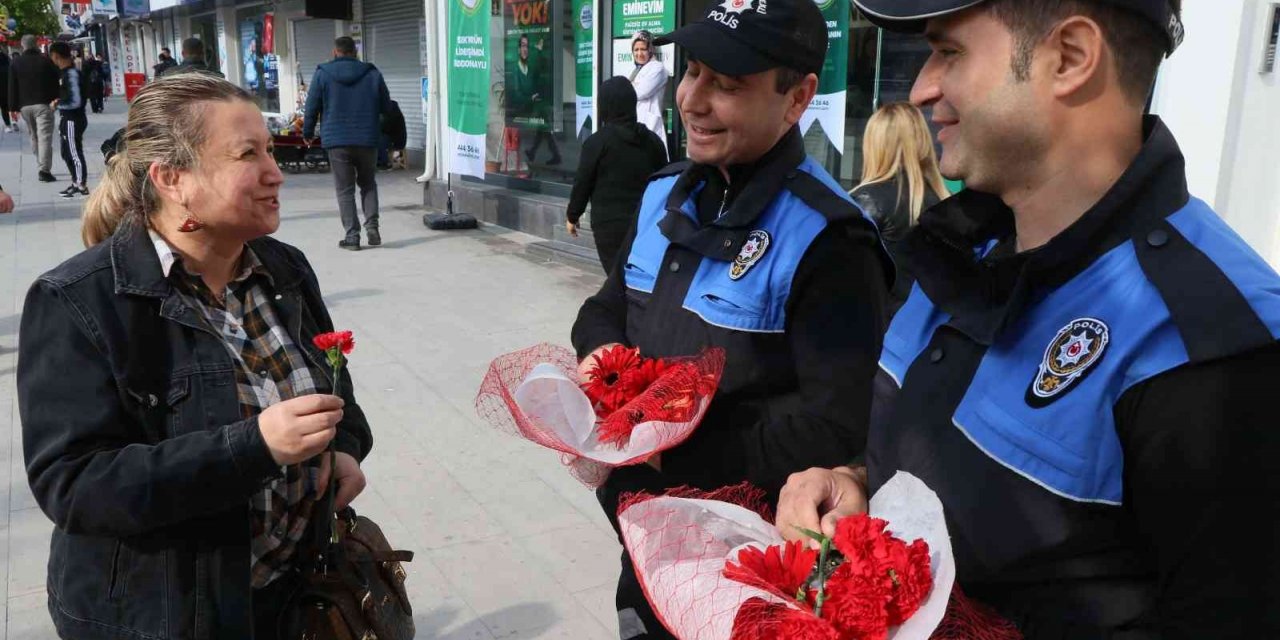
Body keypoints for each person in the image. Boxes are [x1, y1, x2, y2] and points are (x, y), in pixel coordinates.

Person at [777, 0, 1280, 636]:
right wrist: (851, 479)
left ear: (1069, 57)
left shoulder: (1215, 346)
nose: (922, 86)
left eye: (949, 52)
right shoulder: (959, 251)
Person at [571, 0, 891, 636]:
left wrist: (679, 454)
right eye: (692, 72)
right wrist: (603, 363)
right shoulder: (663, 192)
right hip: (641, 536)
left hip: (744, 570)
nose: (692, 99)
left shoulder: (831, 239)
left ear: (797, 99)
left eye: (728, 85)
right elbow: (605, 307)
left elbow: (838, 426)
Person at [17, 74, 373, 640]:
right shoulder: (78, 301)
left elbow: (337, 395)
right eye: (247, 155)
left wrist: (344, 451)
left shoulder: (282, 268)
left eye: (271, 150)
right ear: (172, 179)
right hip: (165, 616)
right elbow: (74, 485)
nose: (275, 173)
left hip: (288, 596)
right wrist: (253, 447)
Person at [848, 102, 949, 312]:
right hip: (925, 329)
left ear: (874, 145)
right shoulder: (943, 201)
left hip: (880, 330)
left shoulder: (866, 199)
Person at [565, 77, 667, 273]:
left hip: (609, 226)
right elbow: (665, 184)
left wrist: (573, 215)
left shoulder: (597, 143)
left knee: (617, 282)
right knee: (642, 282)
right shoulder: (653, 141)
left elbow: (583, 183)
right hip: (648, 224)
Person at [303, 36, 393, 250]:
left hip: (337, 141)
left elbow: (311, 106)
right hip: (367, 139)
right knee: (368, 184)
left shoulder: (322, 74)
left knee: (345, 190)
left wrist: (307, 132)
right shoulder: (372, 73)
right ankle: (373, 228)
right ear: (356, 52)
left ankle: (352, 237)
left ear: (335, 52)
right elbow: (387, 107)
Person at [9, 34, 60, 182]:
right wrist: (55, 99)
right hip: (43, 104)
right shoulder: (45, 61)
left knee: (34, 136)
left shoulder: (15, 62)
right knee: (44, 137)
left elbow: (12, 86)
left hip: (24, 106)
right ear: (36, 44)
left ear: (23, 46)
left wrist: (12, 107)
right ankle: (44, 170)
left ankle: (41, 164)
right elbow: (55, 81)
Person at [508, 34, 561, 166]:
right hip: (524, 106)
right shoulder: (516, 68)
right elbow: (516, 93)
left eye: (527, 46)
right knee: (544, 126)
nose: (525, 49)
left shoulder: (529, 67)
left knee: (543, 126)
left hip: (535, 105)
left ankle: (536, 152)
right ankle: (547, 153)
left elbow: (539, 68)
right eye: (523, 46)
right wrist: (530, 98)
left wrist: (539, 50)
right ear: (519, 49)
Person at [48, 43, 88, 199]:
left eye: (52, 56)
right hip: (67, 118)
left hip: (73, 118)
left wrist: (57, 104)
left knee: (74, 152)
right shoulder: (64, 73)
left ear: (56, 55)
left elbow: (76, 101)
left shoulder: (70, 74)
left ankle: (81, 184)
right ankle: (75, 182)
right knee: (66, 152)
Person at [628, 30, 668, 158]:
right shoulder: (635, 71)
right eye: (636, 50)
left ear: (650, 50)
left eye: (643, 49)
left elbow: (640, 92)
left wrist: (630, 87)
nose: (639, 53)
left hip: (650, 126)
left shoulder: (657, 68)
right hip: (635, 126)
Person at [0, 50, 13, 132]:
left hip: (2, 88)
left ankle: (8, 125)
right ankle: (11, 123)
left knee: (4, 107)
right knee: (7, 106)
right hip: (7, 87)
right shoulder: (6, 58)